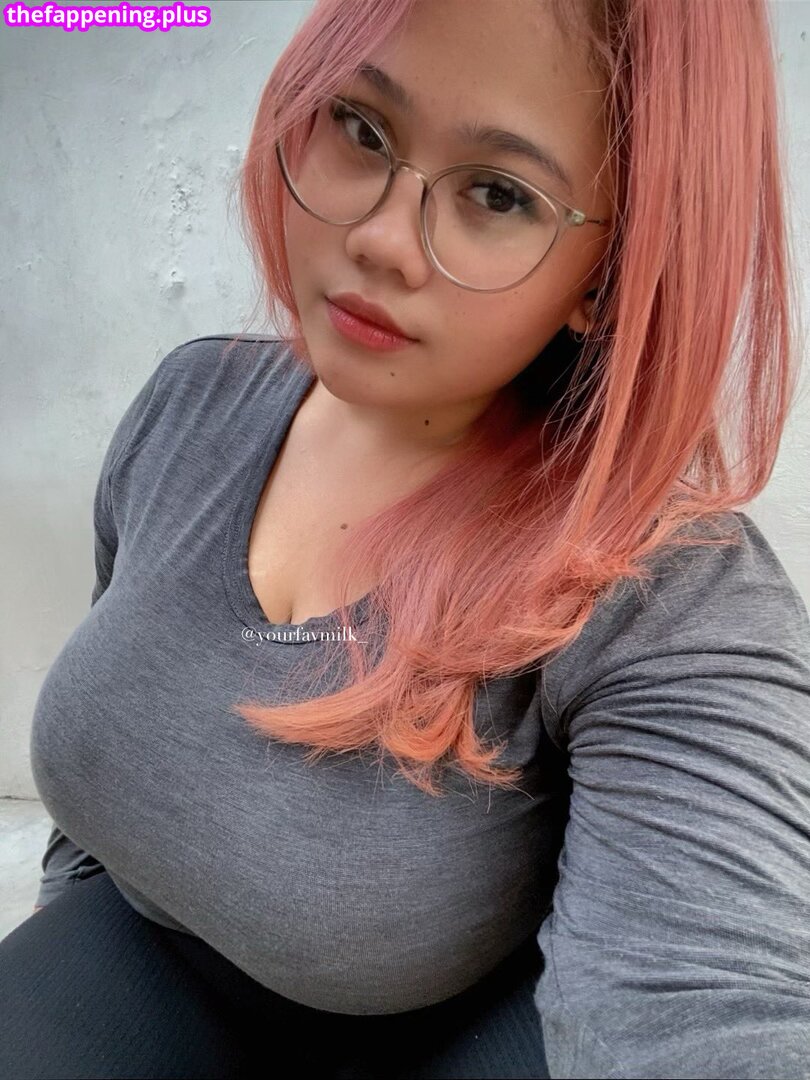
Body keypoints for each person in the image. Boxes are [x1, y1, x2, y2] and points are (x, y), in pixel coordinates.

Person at [3, 0, 809, 1077]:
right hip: (144, 962)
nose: (380, 238)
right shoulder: (190, 406)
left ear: (607, 277)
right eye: (363, 128)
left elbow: (707, 1006)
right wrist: (69, 907)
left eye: (499, 194)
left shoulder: (665, 595)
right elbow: (110, 736)